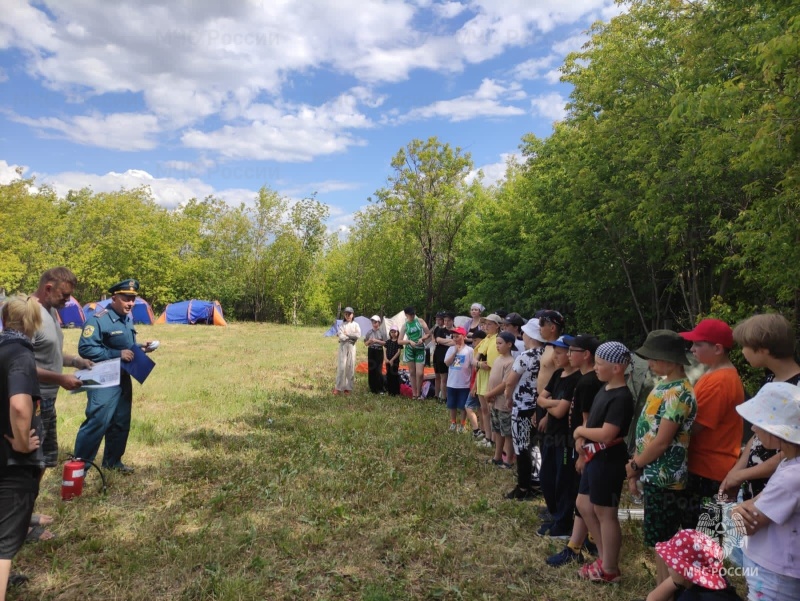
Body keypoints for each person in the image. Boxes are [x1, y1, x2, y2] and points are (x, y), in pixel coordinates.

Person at [626, 330, 697, 586]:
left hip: (666, 476)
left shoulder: (680, 393)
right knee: (658, 539)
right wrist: (636, 465)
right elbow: (648, 431)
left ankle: (665, 589)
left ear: (671, 360)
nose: (650, 363)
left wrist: (635, 464)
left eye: (654, 358)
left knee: (663, 540)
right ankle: (663, 587)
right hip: (652, 471)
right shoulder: (665, 385)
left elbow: (663, 441)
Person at [30, 267, 94, 540]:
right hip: (30, 399)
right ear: (48, 287)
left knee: (42, 462)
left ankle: (25, 514)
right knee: (28, 465)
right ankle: (19, 525)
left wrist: (75, 362)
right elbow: (17, 365)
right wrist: (60, 378)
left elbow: (48, 353)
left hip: (47, 399)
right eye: (64, 296)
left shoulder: (51, 313)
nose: (68, 302)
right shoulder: (27, 315)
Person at [73, 279, 155, 473]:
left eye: (133, 299)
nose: (131, 303)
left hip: (124, 376)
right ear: (114, 297)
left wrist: (139, 347)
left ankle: (113, 462)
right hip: (102, 379)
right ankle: (79, 469)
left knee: (120, 421)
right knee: (97, 421)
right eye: (127, 298)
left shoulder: (127, 317)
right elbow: (85, 348)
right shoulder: (98, 319)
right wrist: (116, 354)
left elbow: (122, 344)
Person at [731, 382, 800, 601]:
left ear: (778, 430)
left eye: (759, 423)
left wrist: (736, 511)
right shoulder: (789, 464)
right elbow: (757, 503)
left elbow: (748, 525)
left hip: (775, 578)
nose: (753, 428)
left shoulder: (791, 477)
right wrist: (743, 508)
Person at [573, 341, 635, 583]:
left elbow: (608, 433)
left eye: (600, 364)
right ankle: (603, 555)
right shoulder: (605, 388)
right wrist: (582, 440)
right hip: (594, 456)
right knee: (584, 504)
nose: (596, 368)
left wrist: (580, 431)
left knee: (604, 512)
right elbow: (593, 424)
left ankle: (609, 567)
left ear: (617, 368)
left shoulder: (621, 397)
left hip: (608, 460)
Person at [721, 313, 800, 502]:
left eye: (745, 346)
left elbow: (794, 450)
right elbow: (758, 434)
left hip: (780, 490)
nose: (742, 352)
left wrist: (743, 474)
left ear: (763, 348)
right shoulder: (770, 380)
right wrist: (736, 472)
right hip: (756, 484)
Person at [679, 319, 744, 529]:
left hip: (708, 473)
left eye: (698, 344)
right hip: (704, 469)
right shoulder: (714, 373)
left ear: (717, 348)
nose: (692, 348)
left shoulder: (721, 381)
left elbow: (695, 427)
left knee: (701, 538)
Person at [0, 295, 44, 600]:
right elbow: (19, 405)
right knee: (5, 541)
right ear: (31, 323)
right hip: (11, 462)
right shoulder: (21, 354)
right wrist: (21, 441)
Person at [546, 334, 603, 566]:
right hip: (577, 443)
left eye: (572, 351)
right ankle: (576, 545)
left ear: (586, 354)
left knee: (581, 496)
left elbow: (587, 422)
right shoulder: (584, 380)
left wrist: (581, 452)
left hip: (581, 446)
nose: (568, 355)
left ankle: (596, 547)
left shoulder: (588, 382)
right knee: (582, 498)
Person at [537, 335, 582, 538]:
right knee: (546, 476)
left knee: (563, 480)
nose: (555, 357)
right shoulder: (557, 375)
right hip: (550, 434)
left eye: (560, 353)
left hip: (565, 438)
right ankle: (555, 515)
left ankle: (564, 523)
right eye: (554, 352)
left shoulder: (576, 380)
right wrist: (551, 406)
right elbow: (541, 398)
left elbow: (561, 412)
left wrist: (550, 405)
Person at [504, 319, 546, 500]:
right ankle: (537, 480)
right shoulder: (548, 354)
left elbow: (510, 381)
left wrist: (508, 397)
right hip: (540, 407)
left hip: (522, 406)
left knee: (521, 446)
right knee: (535, 444)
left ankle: (523, 486)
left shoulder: (526, 356)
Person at [637, 529, 744, 601]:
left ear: (686, 571)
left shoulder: (692, 597)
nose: (666, 563)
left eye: (673, 563)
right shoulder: (712, 582)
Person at [487, 331, 516, 464]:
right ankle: (497, 457)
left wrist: (491, 393)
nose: (497, 346)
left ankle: (509, 460)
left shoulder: (511, 362)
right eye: (496, 343)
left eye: (500, 343)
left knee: (507, 433)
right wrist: (490, 394)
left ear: (509, 344)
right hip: (495, 401)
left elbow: (505, 383)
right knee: (497, 430)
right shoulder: (498, 359)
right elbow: (492, 378)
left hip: (504, 402)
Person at [474, 314, 502, 446]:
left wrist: (480, 364)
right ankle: (487, 436)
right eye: (485, 324)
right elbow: (474, 359)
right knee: (484, 409)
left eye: (490, 324)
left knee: (492, 410)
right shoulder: (485, 339)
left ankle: (494, 439)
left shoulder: (498, 339)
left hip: (492, 376)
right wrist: (479, 364)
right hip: (482, 375)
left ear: (497, 326)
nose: (486, 326)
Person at [444, 327, 473, 433]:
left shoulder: (469, 350)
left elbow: (472, 366)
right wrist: (455, 352)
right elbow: (447, 363)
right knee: (452, 404)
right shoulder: (451, 349)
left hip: (464, 383)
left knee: (463, 405)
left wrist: (472, 382)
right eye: (454, 336)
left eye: (458, 336)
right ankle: (453, 422)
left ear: (464, 336)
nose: (455, 338)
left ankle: (462, 424)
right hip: (452, 382)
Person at [399, 307, 431, 400]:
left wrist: (422, 338)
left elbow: (428, 333)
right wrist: (409, 341)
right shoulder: (405, 325)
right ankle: (414, 393)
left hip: (420, 349)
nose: (412, 316)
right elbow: (399, 341)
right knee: (412, 372)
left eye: (413, 314)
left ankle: (419, 391)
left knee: (420, 373)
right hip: (410, 350)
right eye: (410, 314)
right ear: (406, 315)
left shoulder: (420, 321)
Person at [334, 307, 361, 395]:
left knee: (350, 366)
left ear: (353, 315)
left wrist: (348, 335)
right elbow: (341, 336)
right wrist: (349, 337)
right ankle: (338, 387)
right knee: (341, 367)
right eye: (346, 314)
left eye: (349, 314)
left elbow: (358, 335)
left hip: (352, 347)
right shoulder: (342, 325)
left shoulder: (356, 325)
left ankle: (348, 388)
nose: (348, 316)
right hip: (343, 346)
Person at [432, 312, 455, 402]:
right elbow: (438, 340)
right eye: (445, 320)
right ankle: (443, 397)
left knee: (451, 377)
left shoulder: (455, 330)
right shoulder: (441, 330)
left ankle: (450, 396)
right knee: (442, 376)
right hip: (440, 355)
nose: (446, 322)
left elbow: (455, 342)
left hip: (452, 355)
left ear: (452, 321)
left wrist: (445, 341)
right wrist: (450, 341)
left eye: (448, 321)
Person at [363, 315, 386, 394]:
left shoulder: (382, 332)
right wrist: (369, 341)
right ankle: (372, 388)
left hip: (379, 350)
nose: (374, 323)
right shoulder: (369, 332)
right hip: (371, 350)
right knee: (371, 369)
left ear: (379, 323)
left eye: (375, 322)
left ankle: (380, 388)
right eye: (373, 322)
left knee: (378, 370)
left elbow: (385, 343)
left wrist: (377, 341)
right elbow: (365, 343)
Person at [384, 326, 402, 396]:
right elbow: (385, 350)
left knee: (394, 375)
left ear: (398, 333)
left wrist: (392, 360)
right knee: (388, 375)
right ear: (389, 333)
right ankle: (389, 391)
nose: (393, 333)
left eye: (395, 332)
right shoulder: (388, 342)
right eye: (392, 332)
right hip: (387, 361)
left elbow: (398, 352)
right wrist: (385, 358)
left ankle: (395, 392)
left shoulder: (398, 342)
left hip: (395, 362)